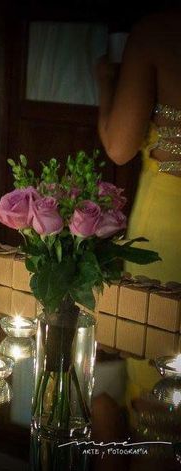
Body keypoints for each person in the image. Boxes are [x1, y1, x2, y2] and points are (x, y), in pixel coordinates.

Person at [96, 8, 181, 283]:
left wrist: (108, 81)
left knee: (154, 319)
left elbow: (119, 148)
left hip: (169, 214)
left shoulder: (159, 30)